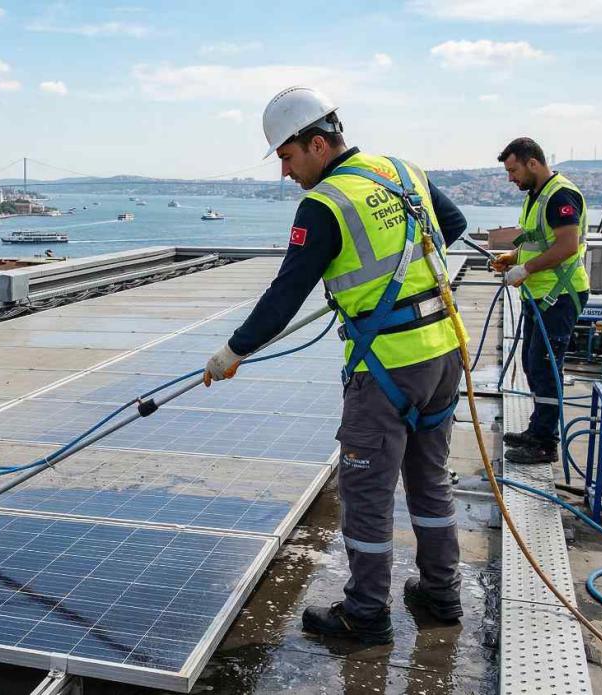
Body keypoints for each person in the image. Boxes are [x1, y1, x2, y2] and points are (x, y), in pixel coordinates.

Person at [204, 86, 469, 644]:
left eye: (287, 157)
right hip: (443, 352)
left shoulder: (324, 204)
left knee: (367, 493)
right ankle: (442, 594)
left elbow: (285, 295)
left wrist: (232, 352)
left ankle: (366, 614)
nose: (285, 172)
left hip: (388, 368)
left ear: (318, 144)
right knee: (430, 481)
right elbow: (454, 223)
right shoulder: (402, 170)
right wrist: (394, 283)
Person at [490, 138, 589, 464]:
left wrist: (526, 269)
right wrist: (513, 256)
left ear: (532, 163)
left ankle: (546, 443)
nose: (511, 178)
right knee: (533, 363)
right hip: (541, 295)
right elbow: (539, 241)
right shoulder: (537, 195)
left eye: (513, 170)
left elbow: (567, 246)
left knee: (545, 366)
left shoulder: (560, 196)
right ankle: (538, 429)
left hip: (559, 295)